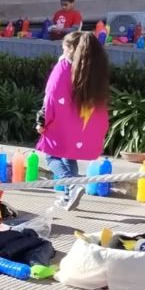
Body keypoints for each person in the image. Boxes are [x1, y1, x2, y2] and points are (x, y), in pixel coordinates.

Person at [35, 31, 110, 211]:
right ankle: (69, 194)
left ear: (70, 48)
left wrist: (43, 120)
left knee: (51, 154)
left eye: (64, 47)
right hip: (80, 121)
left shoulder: (64, 66)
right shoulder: (91, 69)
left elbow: (51, 96)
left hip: (61, 120)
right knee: (67, 154)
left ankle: (71, 186)